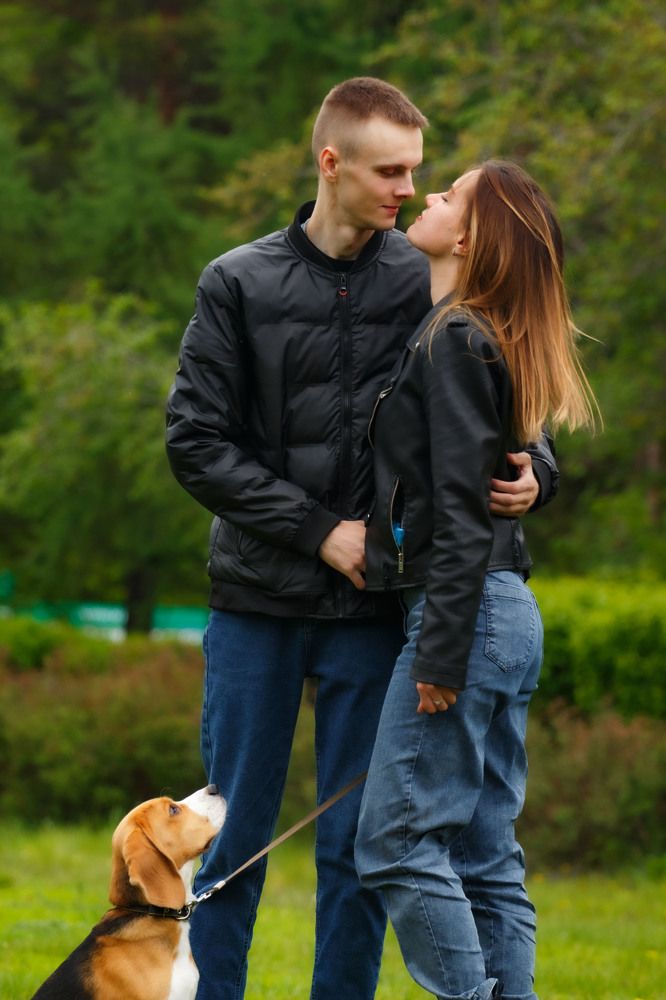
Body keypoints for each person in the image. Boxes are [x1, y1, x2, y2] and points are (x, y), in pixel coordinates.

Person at [165, 78, 558, 1000]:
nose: (408, 191)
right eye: (390, 172)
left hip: (377, 612)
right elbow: (194, 443)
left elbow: (511, 387)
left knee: (355, 851)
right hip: (256, 603)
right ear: (331, 163)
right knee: (231, 838)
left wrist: (539, 471)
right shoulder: (237, 280)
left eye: (417, 171)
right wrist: (319, 533)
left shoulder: (428, 273)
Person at [354, 160, 597, 1000]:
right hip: (503, 611)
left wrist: (441, 652)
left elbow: (461, 510)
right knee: (485, 854)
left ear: (468, 238)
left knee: (396, 843)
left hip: (468, 613)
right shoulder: (477, 331)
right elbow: (503, 470)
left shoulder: (457, 336)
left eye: (449, 194)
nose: (429, 196)